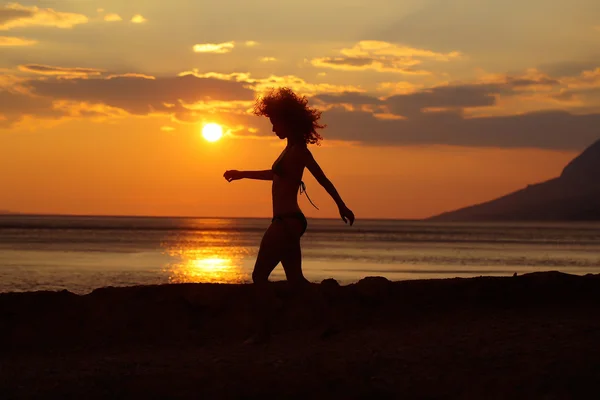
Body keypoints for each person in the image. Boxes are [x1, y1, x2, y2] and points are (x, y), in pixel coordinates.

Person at [223, 87, 355, 342]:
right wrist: (242, 173)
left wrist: (341, 205)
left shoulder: (300, 151)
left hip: (286, 222)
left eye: (275, 122)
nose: (273, 129)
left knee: (259, 276)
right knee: (296, 280)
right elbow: (275, 175)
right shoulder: (288, 150)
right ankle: (330, 323)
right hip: (288, 221)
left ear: (288, 121)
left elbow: (323, 179)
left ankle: (264, 331)